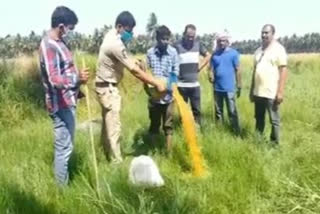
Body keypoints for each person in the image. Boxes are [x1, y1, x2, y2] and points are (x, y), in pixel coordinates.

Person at [95, 11, 166, 163]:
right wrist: (156, 83)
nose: (131, 34)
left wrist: (135, 60)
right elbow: (134, 71)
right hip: (108, 88)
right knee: (114, 127)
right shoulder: (115, 44)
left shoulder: (111, 36)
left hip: (105, 87)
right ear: (119, 27)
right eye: (128, 30)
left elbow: (124, 58)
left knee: (107, 126)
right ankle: (116, 161)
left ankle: (104, 155)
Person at [39, 6, 89, 185]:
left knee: (67, 146)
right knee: (63, 148)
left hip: (68, 101)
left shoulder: (60, 43)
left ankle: (63, 184)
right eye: (70, 28)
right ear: (61, 26)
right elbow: (54, 79)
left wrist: (78, 89)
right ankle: (61, 191)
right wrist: (77, 78)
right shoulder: (49, 45)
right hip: (59, 105)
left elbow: (66, 69)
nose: (70, 32)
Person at [249, 24, 288, 144]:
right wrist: (252, 90)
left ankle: (274, 144)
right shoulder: (258, 50)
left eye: (267, 33)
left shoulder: (279, 49)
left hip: (272, 92)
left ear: (273, 34)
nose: (264, 35)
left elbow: (283, 70)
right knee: (259, 118)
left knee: (274, 120)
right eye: (262, 33)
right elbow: (255, 71)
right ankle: (258, 140)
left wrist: (280, 92)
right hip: (258, 92)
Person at [146, 25, 179, 151]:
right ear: (157, 38)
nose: (165, 42)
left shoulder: (173, 52)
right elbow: (147, 73)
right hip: (154, 97)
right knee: (154, 125)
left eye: (167, 39)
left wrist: (165, 88)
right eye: (163, 39)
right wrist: (151, 90)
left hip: (168, 96)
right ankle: (154, 151)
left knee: (168, 126)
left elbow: (175, 73)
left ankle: (168, 152)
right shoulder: (150, 53)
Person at [174, 24, 211, 126]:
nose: (191, 38)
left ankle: (197, 130)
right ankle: (185, 129)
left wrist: (199, 67)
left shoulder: (198, 44)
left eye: (193, 36)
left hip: (194, 85)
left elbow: (208, 56)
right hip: (181, 85)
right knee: (183, 111)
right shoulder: (177, 45)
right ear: (184, 34)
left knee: (197, 111)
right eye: (189, 36)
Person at [210, 31, 241, 134]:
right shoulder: (214, 55)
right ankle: (220, 131)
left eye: (224, 41)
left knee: (232, 111)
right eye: (220, 41)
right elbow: (211, 69)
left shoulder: (233, 53)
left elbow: (237, 69)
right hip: (217, 88)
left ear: (227, 42)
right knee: (218, 112)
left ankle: (235, 131)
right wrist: (210, 75)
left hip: (229, 89)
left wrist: (239, 85)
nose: (222, 43)